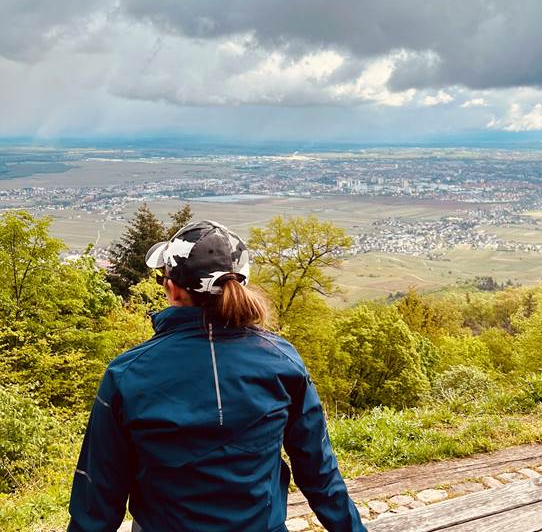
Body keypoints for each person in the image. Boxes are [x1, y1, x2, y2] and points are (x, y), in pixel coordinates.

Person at [68, 220, 366, 532]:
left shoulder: (127, 374)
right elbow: (320, 473)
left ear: (171, 288)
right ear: (241, 284)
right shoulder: (282, 362)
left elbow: (96, 501)